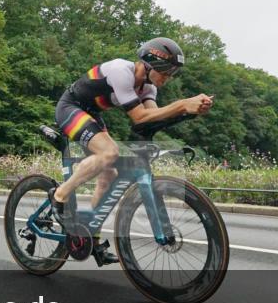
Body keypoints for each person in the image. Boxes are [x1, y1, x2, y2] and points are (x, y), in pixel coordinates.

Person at [50, 37, 213, 266]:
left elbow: (150, 120)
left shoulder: (148, 88)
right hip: (71, 107)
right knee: (109, 153)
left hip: (92, 114)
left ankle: (92, 238)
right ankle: (59, 196)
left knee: (109, 175)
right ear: (148, 64)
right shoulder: (121, 71)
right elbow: (139, 116)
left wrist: (190, 112)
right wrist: (182, 103)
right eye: (165, 72)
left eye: (172, 73)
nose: (168, 78)